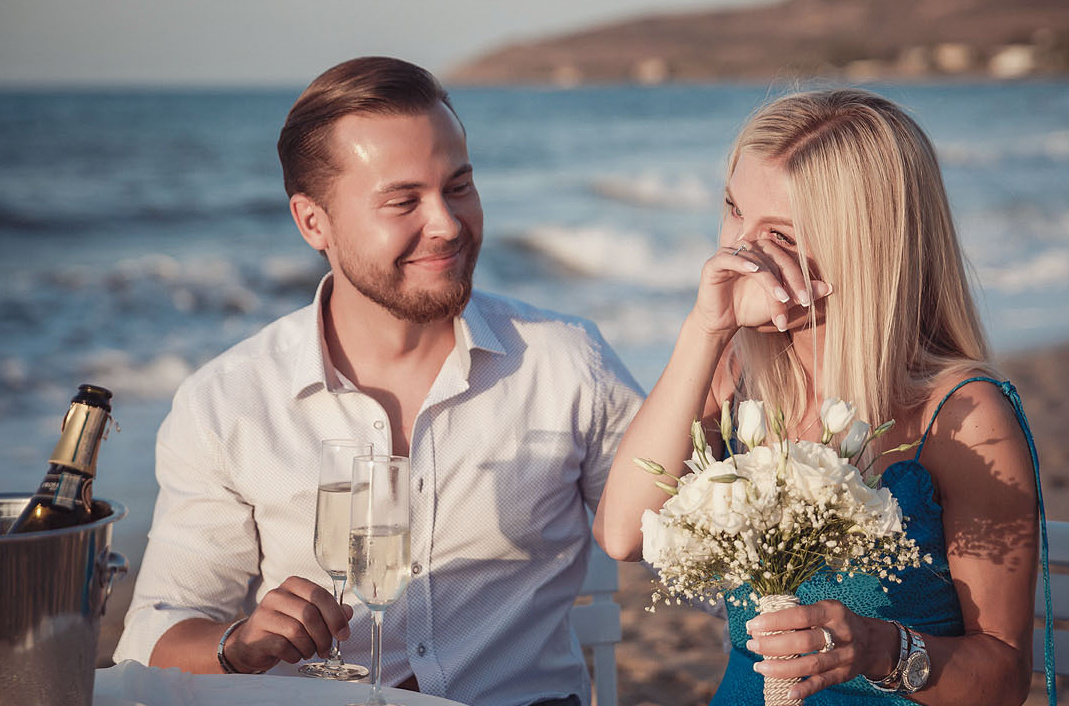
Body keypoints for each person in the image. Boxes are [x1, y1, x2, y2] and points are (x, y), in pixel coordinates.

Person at [113, 56, 645, 706]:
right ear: (313, 223)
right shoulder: (227, 404)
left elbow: (694, 551)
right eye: (403, 201)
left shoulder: (567, 363)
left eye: (458, 186)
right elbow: (151, 637)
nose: (447, 223)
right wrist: (239, 644)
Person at [594, 88, 1050, 704]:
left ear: (862, 249)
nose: (737, 252)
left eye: (776, 233)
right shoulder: (736, 377)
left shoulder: (963, 415)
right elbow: (622, 534)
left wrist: (878, 647)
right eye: (733, 210)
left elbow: (1002, 678)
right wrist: (705, 330)